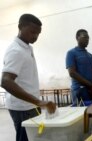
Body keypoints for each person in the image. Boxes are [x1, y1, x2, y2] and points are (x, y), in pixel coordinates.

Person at [1, 13, 56, 141]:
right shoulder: (16, 50)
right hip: (22, 107)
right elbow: (5, 81)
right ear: (20, 27)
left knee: (33, 137)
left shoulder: (26, 48)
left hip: (30, 104)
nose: (36, 36)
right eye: (32, 32)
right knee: (25, 138)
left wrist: (36, 102)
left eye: (38, 33)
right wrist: (38, 101)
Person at [66, 29, 92, 106]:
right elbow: (72, 73)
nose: (87, 39)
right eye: (85, 37)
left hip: (90, 90)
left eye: (88, 38)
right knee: (80, 114)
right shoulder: (71, 53)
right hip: (79, 89)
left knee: (90, 114)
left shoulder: (90, 55)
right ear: (77, 38)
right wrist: (90, 85)